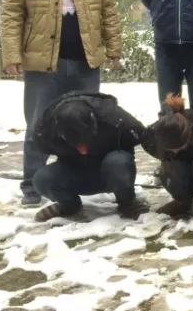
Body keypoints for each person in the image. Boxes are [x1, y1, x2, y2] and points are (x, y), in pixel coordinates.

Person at [0, 0, 121, 207]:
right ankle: (32, 186)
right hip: (43, 66)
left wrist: (114, 49)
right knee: (38, 126)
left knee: (87, 125)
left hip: (85, 63)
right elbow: (11, 15)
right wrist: (11, 55)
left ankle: (84, 179)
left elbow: (108, 11)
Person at [30, 91, 147, 222]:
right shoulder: (45, 128)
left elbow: (144, 136)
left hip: (112, 172)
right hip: (75, 171)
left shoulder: (114, 117)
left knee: (119, 161)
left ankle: (127, 202)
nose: (83, 149)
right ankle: (69, 205)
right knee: (42, 179)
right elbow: (37, 147)